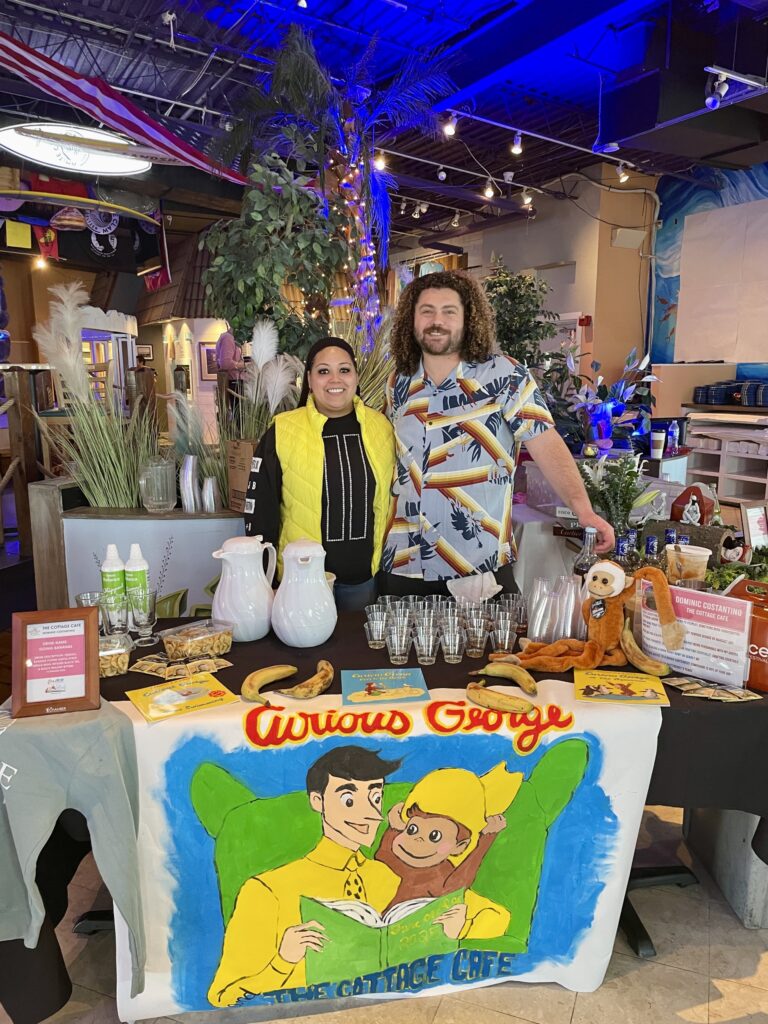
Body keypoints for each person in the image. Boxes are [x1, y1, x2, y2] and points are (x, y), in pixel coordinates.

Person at [381, 270, 614, 596]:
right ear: (412, 319)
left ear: (468, 318)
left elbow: (546, 443)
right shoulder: (398, 383)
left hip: (477, 564)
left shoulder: (504, 374)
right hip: (404, 561)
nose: (438, 321)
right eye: (427, 311)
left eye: (449, 311)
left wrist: (584, 511)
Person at [208, 746, 402, 1005]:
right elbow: (223, 996)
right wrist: (282, 961)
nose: (369, 814)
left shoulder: (387, 877)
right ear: (317, 801)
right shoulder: (267, 890)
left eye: (376, 798)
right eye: (349, 800)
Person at [244, 337, 395, 611]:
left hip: (363, 582)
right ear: (310, 380)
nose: (334, 379)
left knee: (359, 653)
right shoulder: (282, 431)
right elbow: (261, 513)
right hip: (301, 581)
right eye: (323, 371)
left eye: (344, 370)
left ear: (356, 377)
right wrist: (263, 579)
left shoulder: (382, 428)